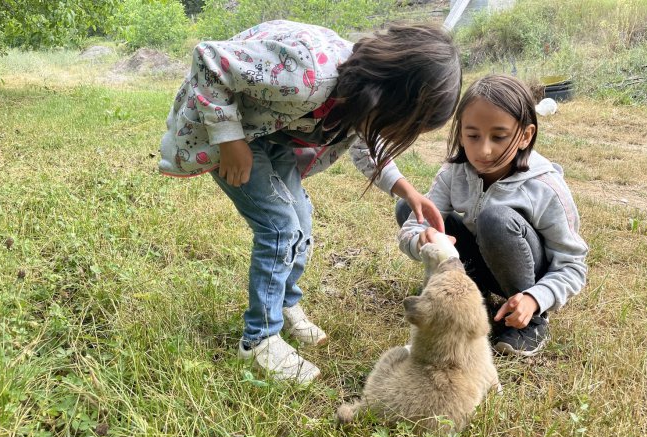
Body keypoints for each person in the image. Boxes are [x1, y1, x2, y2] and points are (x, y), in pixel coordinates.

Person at [159, 20, 463, 383]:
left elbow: (367, 145)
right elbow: (210, 60)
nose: (399, 134)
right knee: (279, 228)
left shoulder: (362, 98)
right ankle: (259, 339)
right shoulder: (309, 73)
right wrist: (229, 139)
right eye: (406, 125)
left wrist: (408, 191)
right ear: (394, 94)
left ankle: (284, 303)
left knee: (300, 218)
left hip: (274, 135)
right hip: (234, 130)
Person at [397, 74, 588, 357]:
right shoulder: (454, 172)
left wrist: (536, 299)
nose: (483, 150)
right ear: (460, 132)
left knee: (494, 218)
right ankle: (473, 296)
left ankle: (531, 321)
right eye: (472, 136)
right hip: (482, 260)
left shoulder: (545, 187)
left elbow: (573, 266)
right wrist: (423, 241)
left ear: (525, 136)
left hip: (527, 276)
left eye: (499, 137)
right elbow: (412, 228)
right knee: (410, 207)